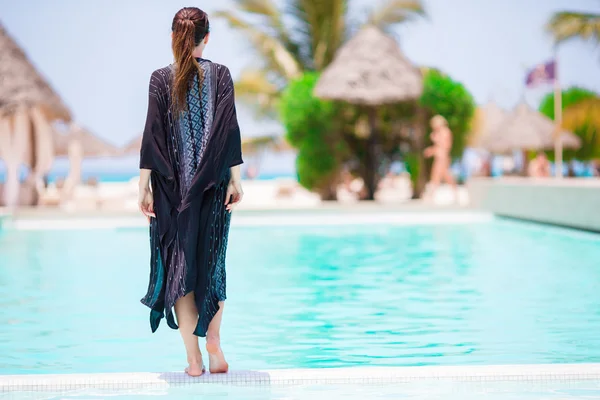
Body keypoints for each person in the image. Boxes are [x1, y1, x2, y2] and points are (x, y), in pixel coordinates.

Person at [137, 7, 244, 377]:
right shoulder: (222, 75)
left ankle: (194, 361)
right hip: (213, 189)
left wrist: (143, 187)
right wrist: (235, 179)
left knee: (180, 272)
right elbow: (229, 132)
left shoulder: (158, 79)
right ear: (207, 38)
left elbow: (152, 135)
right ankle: (213, 340)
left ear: (173, 37)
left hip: (172, 193)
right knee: (213, 266)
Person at [423, 115, 457, 198]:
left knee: (438, 175)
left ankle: (431, 194)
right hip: (440, 156)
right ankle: (454, 193)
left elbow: (445, 146)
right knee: (441, 175)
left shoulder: (445, 132)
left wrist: (432, 150)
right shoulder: (440, 132)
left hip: (442, 157)